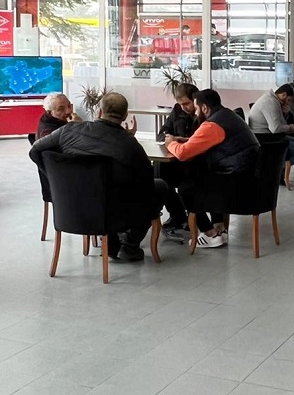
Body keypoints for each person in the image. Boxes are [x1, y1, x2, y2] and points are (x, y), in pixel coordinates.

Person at [29, 92, 167, 261]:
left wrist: (55, 179)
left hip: (71, 201)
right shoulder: (129, 143)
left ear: (99, 112)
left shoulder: (67, 130)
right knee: (159, 186)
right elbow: (146, 178)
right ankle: (130, 245)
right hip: (112, 208)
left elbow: (35, 149)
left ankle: (112, 241)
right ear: (125, 115)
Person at [165, 89, 260, 248]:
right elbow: (210, 140)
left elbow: (182, 154)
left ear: (204, 108)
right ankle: (219, 228)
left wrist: (171, 143)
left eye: (196, 108)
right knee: (201, 174)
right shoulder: (228, 116)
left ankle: (210, 234)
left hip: (235, 184)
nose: (195, 113)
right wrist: (186, 140)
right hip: (247, 177)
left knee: (186, 189)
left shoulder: (212, 125)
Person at [157, 83, 199, 232]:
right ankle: (177, 214)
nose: (183, 107)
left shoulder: (203, 113)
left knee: (183, 182)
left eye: (186, 104)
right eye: (180, 104)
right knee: (159, 175)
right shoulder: (177, 110)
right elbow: (162, 133)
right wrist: (168, 137)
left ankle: (192, 216)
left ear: (195, 100)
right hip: (177, 160)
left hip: (196, 163)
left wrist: (180, 140)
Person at [248, 84, 294, 166]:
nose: (289, 103)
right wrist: (290, 128)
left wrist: (285, 114)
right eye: (289, 100)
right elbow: (275, 128)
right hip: (263, 137)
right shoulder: (270, 102)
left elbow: (279, 124)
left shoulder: (275, 101)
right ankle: (277, 167)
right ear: (284, 95)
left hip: (268, 134)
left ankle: (280, 165)